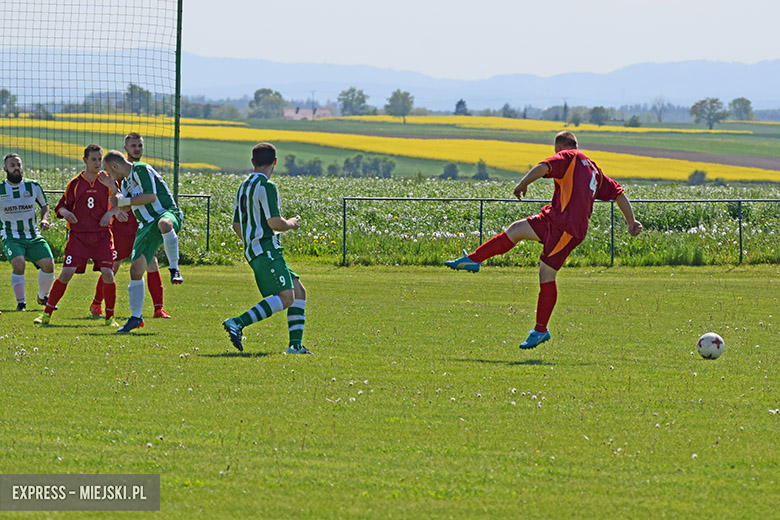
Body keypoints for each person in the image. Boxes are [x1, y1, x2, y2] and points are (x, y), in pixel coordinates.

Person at [445, 131, 643, 349]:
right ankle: (474, 260)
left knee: (546, 273)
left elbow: (543, 167)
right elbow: (618, 193)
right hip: (553, 218)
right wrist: (631, 221)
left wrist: (522, 184)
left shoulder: (568, 157)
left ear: (560, 149)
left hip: (567, 228)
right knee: (517, 229)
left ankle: (540, 330)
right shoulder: (593, 167)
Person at [222, 142, 310, 354]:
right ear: (275, 162)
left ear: (253, 162)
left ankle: (295, 346)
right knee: (287, 297)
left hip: (257, 249)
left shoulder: (243, 187)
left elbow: (236, 225)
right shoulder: (267, 186)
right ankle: (237, 322)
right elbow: (275, 223)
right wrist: (291, 223)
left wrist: (251, 241)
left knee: (299, 291)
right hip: (267, 249)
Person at [34, 145, 119, 326]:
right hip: (78, 237)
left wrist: (109, 213)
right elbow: (61, 206)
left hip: (102, 236)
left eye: (99, 159)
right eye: (94, 159)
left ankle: (110, 317)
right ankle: (47, 313)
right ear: (85, 161)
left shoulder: (108, 181)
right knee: (66, 273)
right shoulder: (75, 183)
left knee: (108, 274)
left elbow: (121, 202)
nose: (97, 163)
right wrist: (66, 213)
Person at [90, 132, 172, 319]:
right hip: (122, 228)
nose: (137, 149)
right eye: (133, 146)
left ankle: (158, 308)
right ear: (125, 149)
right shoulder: (118, 172)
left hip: (143, 225)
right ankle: (96, 303)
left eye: (140, 146)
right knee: (113, 265)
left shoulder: (142, 171)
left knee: (151, 262)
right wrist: (113, 211)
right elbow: (113, 199)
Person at [101, 149, 183, 333]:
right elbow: (125, 204)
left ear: (115, 166)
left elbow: (150, 197)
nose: (109, 174)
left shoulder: (140, 169)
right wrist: (112, 188)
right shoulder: (127, 182)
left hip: (165, 213)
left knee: (165, 224)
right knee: (135, 270)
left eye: (109, 171)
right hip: (146, 225)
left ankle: (174, 268)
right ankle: (136, 318)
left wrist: (121, 202)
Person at [1, 153, 56, 311]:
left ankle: (42, 296)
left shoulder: (33, 186)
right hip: (11, 235)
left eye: (19, 164)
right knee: (19, 263)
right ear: (5, 169)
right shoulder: (1, 189)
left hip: (33, 235)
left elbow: (45, 206)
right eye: (12, 165)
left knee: (49, 264)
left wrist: (45, 219)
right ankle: (21, 303)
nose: (17, 168)